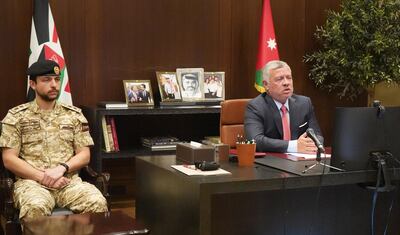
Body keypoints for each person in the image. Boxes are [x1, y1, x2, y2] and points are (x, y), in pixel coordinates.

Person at [0, 60, 108, 221]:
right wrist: (44, 177)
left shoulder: (74, 115)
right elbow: (9, 160)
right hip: (31, 184)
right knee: (34, 208)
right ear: (33, 84)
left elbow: (84, 155)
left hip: (68, 182)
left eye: (57, 79)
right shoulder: (16, 117)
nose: (54, 85)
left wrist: (61, 169)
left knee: (97, 202)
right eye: (46, 80)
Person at [244, 60, 323, 153]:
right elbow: (255, 140)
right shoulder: (256, 107)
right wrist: (294, 146)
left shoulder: (304, 103)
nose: (286, 83)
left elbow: (317, 135)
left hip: (301, 160)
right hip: (272, 162)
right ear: (266, 85)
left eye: (289, 78)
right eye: (279, 79)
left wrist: (312, 144)